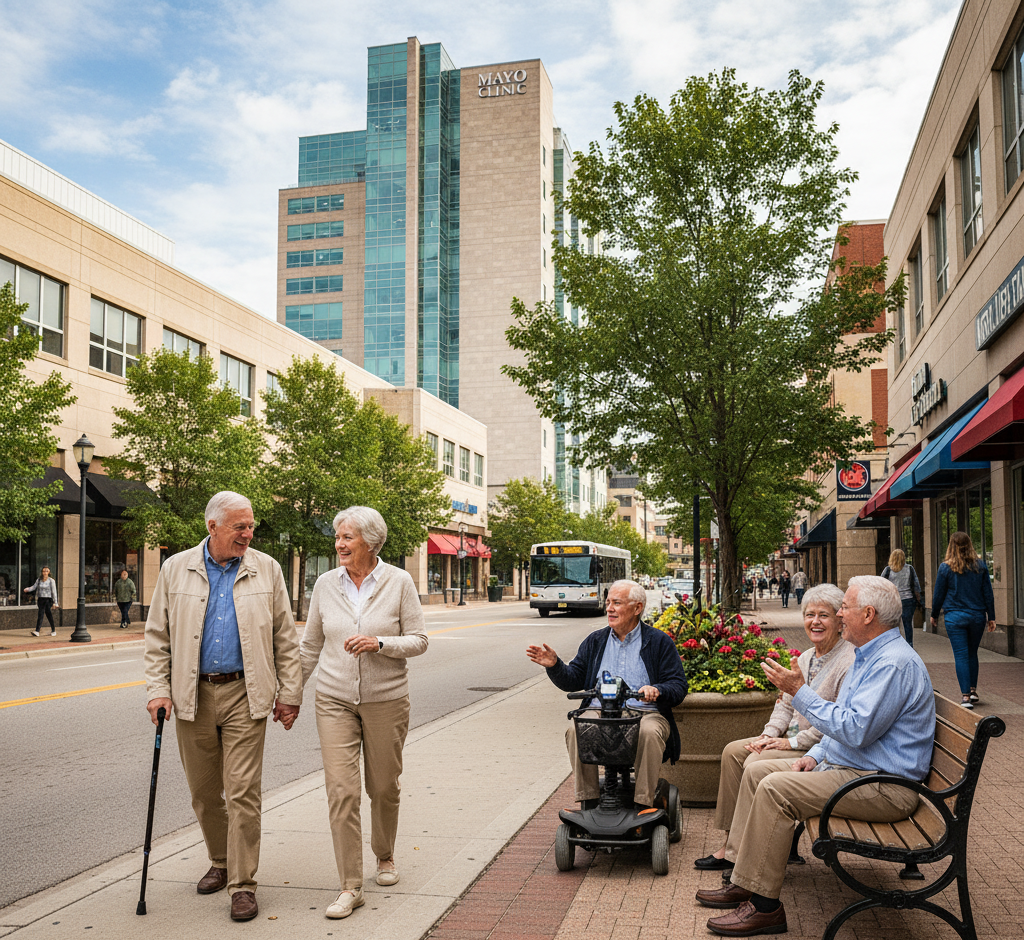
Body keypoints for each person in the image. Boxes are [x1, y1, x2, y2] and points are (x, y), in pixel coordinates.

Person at [693, 576, 934, 937]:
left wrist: (799, 693)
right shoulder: (871, 656)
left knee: (775, 788)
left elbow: (854, 730)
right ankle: (746, 879)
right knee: (758, 773)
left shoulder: (892, 664)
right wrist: (818, 754)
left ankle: (765, 907)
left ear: (868, 614)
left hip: (885, 786)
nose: (840, 614)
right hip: (858, 770)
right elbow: (848, 727)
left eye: (844, 608)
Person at [144, 491, 302, 922]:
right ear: (212, 527)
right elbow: (158, 637)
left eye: (251, 526)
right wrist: (157, 690)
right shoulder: (176, 568)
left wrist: (290, 694)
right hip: (190, 693)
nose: (248, 534)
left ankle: (243, 884)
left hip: (244, 693)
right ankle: (221, 859)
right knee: (203, 793)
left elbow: (285, 638)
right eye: (240, 527)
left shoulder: (266, 568)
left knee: (243, 792)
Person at [300, 506, 428, 920]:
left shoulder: (399, 581)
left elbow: (420, 640)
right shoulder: (325, 584)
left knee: (383, 786)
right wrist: (289, 695)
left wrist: (380, 643)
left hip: (386, 699)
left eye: (347, 537)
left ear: (370, 543)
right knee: (342, 791)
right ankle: (350, 885)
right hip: (334, 699)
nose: (339, 544)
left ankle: (385, 855)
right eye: (337, 537)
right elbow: (309, 647)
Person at [693, 584, 854, 873]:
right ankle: (731, 841)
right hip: (792, 740)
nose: (814, 621)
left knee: (754, 762)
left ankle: (740, 853)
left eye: (824, 615)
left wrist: (788, 743)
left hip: (814, 747)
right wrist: (768, 735)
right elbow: (785, 705)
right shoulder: (806, 658)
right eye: (809, 614)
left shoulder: (848, 661)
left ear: (840, 621)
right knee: (733, 751)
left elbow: (835, 725)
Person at [526, 580, 688, 812]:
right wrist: (555, 666)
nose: (609, 608)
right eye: (609, 602)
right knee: (576, 729)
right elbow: (574, 679)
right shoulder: (595, 641)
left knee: (650, 732)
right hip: (600, 710)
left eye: (617, 603)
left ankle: (643, 804)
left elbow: (679, 687)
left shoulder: (659, 642)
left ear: (637, 608)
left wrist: (658, 690)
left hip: (645, 713)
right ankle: (588, 800)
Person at [930, 531, 996, 709]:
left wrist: (934, 614)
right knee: (972, 653)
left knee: (961, 655)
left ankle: (965, 697)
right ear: (970, 545)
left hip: (954, 617)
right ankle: (973, 691)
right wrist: (992, 617)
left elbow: (938, 594)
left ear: (951, 546)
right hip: (976, 616)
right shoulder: (980, 566)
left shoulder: (945, 568)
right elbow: (988, 594)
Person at [881, 549, 922, 646]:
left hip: (893, 601)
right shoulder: (910, 568)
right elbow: (916, 585)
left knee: (893, 624)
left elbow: (881, 584)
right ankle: (909, 644)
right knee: (907, 624)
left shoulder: (888, 570)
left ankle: (894, 644)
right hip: (908, 600)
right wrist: (919, 598)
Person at [25, 566, 59, 637]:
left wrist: (56, 602)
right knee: (41, 614)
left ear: (49, 572)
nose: (45, 573)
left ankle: (52, 630)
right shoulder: (39, 580)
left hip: (48, 599)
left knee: (47, 614)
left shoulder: (51, 581)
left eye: (46, 571)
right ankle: (37, 631)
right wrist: (27, 589)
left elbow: (54, 592)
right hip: (41, 599)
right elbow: (34, 587)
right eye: (43, 571)